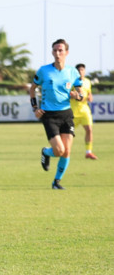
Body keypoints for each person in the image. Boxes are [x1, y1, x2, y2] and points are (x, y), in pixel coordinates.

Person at [30, 38, 84, 190]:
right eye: (55, 50)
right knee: (59, 150)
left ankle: (56, 182)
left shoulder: (73, 72)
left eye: (61, 50)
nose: (57, 53)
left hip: (66, 114)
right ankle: (46, 152)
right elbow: (32, 89)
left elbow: (81, 95)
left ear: (66, 52)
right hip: (49, 116)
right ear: (52, 52)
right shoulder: (43, 70)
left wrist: (77, 96)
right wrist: (35, 108)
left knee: (67, 151)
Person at [70, 63, 97, 160]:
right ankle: (61, 149)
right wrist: (74, 96)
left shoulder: (88, 82)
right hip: (73, 112)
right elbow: (69, 94)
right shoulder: (73, 82)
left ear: (85, 71)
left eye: (82, 70)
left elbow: (90, 95)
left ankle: (88, 152)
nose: (81, 72)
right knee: (67, 134)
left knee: (89, 129)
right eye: (79, 70)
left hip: (85, 110)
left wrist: (90, 97)